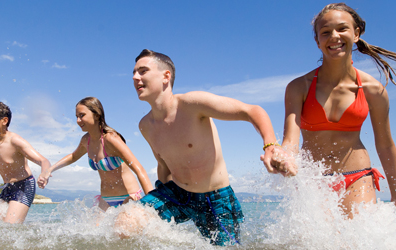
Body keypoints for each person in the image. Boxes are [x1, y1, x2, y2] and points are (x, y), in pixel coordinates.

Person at [277, 3, 396, 217]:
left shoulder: (373, 90)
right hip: (313, 180)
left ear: (356, 34)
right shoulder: (298, 87)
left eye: (342, 29)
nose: (334, 36)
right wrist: (285, 158)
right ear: (317, 41)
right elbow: (290, 141)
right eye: (325, 32)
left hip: (357, 176)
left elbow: (385, 144)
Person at [115, 49, 285, 246]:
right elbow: (163, 164)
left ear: (166, 76)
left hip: (216, 200)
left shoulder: (192, 104)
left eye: (142, 71)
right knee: (125, 223)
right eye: (134, 73)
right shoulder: (145, 125)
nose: (135, 77)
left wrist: (271, 145)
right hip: (177, 192)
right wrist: (160, 206)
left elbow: (251, 111)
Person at [38, 97, 154, 210]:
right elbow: (73, 157)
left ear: (97, 115)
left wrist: (152, 204)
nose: (78, 121)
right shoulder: (86, 140)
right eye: (77, 117)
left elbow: (139, 170)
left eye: (82, 115)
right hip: (105, 199)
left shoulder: (111, 139)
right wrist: (49, 170)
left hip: (129, 197)